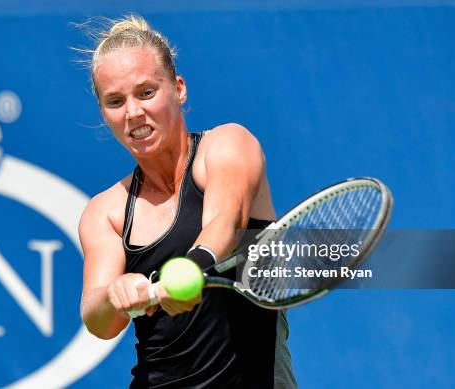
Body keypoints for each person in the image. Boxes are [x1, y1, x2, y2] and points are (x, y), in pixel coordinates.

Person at [78, 14, 296, 388]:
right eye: (115, 101)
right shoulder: (105, 212)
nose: (132, 112)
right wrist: (116, 296)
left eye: (146, 92)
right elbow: (98, 322)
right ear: (104, 114)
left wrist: (189, 271)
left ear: (178, 88)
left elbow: (226, 222)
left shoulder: (228, 144)